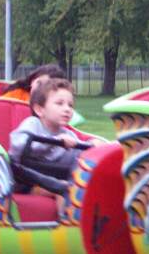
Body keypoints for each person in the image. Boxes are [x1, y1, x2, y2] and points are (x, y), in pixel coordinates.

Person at [9, 78, 103, 207]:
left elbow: (79, 150)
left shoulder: (67, 133)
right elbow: (18, 145)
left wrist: (93, 145)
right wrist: (54, 142)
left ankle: (77, 220)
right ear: (39, 110)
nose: (67, 109)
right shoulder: (33, 124)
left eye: (70, 105)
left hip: (53, 177)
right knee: (63, 190)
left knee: (75, 183)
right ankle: (68, 219)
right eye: (60, 103)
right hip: (24, 178)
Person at [2, 64, 85, 125]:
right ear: (32, 80)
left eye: (70, 105)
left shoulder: (61, 122)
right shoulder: (17, 94)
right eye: (39, 82)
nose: (40, 88)